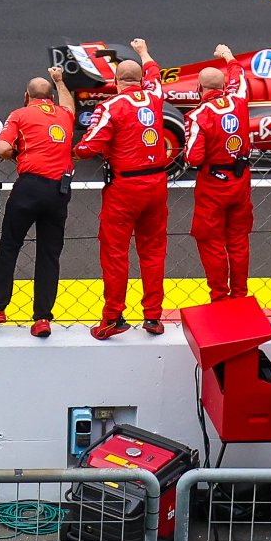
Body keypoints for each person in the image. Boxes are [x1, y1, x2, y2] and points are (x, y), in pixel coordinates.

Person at [74, 38, 170, 341]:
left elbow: (88, 148)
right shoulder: (154, 95)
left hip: (125, 188)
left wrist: (73, 147)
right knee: (153, 251)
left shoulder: (111, 106)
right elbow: (154, 73)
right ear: (140, 80)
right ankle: (153, 316)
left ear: (115, 81)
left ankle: (113, 316)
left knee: (115, 253)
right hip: (157, 183)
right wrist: (143, 51)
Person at [0, 68, 75, 337]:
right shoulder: (65, 114)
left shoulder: (20, 114)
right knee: (49, 254)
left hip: (29, 187)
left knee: (10, 244)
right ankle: (42, 318)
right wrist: (60, 80)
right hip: (59, 189)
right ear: (51, 97)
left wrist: (16, 153)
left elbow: (2, 148)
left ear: (27, 96)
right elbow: (69, 103)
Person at [184, 45, 253, 302]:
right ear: (223, 86)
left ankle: (220, 296)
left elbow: (193, 157)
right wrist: (228, 56)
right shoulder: (239, 99)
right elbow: (239, 75)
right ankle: (240, 295)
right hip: (241, 180)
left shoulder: (199, 115)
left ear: (200, 88)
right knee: (238, 240)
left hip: (214, 184)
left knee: (211, 241)